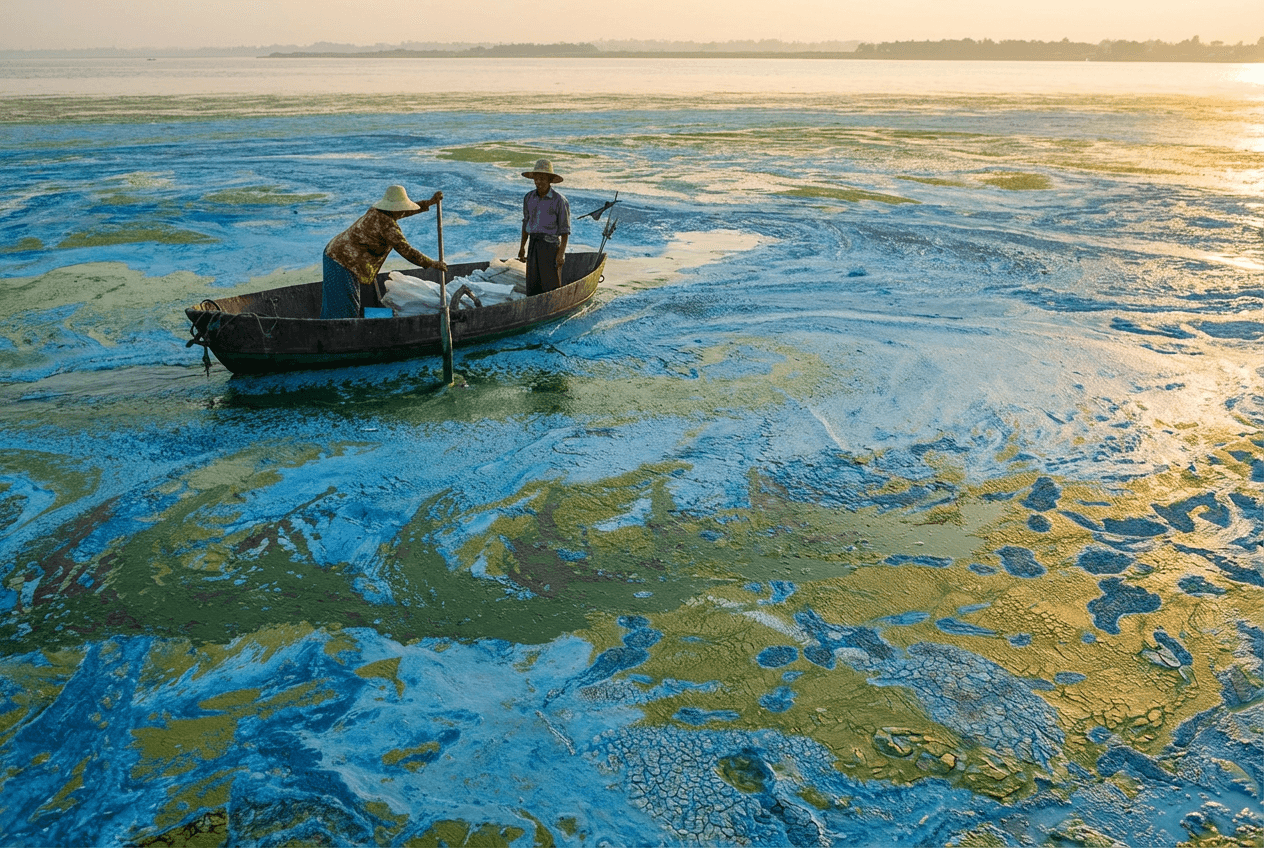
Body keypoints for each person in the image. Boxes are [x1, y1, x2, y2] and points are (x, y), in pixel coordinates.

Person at [320, 185, 447, 319]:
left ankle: (329, 327)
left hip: (333, 252)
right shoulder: (388, 226)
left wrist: (429, 203)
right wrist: (433, 263)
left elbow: (406, 211)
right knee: (345, 306)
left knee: (336, 302)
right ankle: (342, 333)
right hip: (342, 259)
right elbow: (408, 251)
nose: (403, 212)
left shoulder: (376, 210)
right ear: (396, 209)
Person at [516, 159, 571, 296]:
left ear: (550, 180)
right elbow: (525, 224)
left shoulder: (559, 201)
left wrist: (561, 253)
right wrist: (522, 247)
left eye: (542, 178)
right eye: (536, 178)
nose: (538, 182)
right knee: (533, 283)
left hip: (550, 246)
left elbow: (565, 231)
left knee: (550, 284)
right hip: (533, 245)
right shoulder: (528, 198)